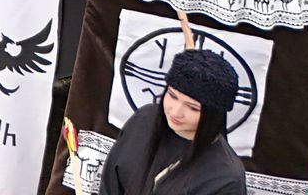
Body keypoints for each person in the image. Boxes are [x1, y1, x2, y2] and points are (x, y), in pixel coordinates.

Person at [98, 49, 246, 195]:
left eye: (193, 108)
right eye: (172, 96)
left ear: (213, 115)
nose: (175, 112)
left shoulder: (226, 178)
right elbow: (110, 184)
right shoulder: (144, 119)